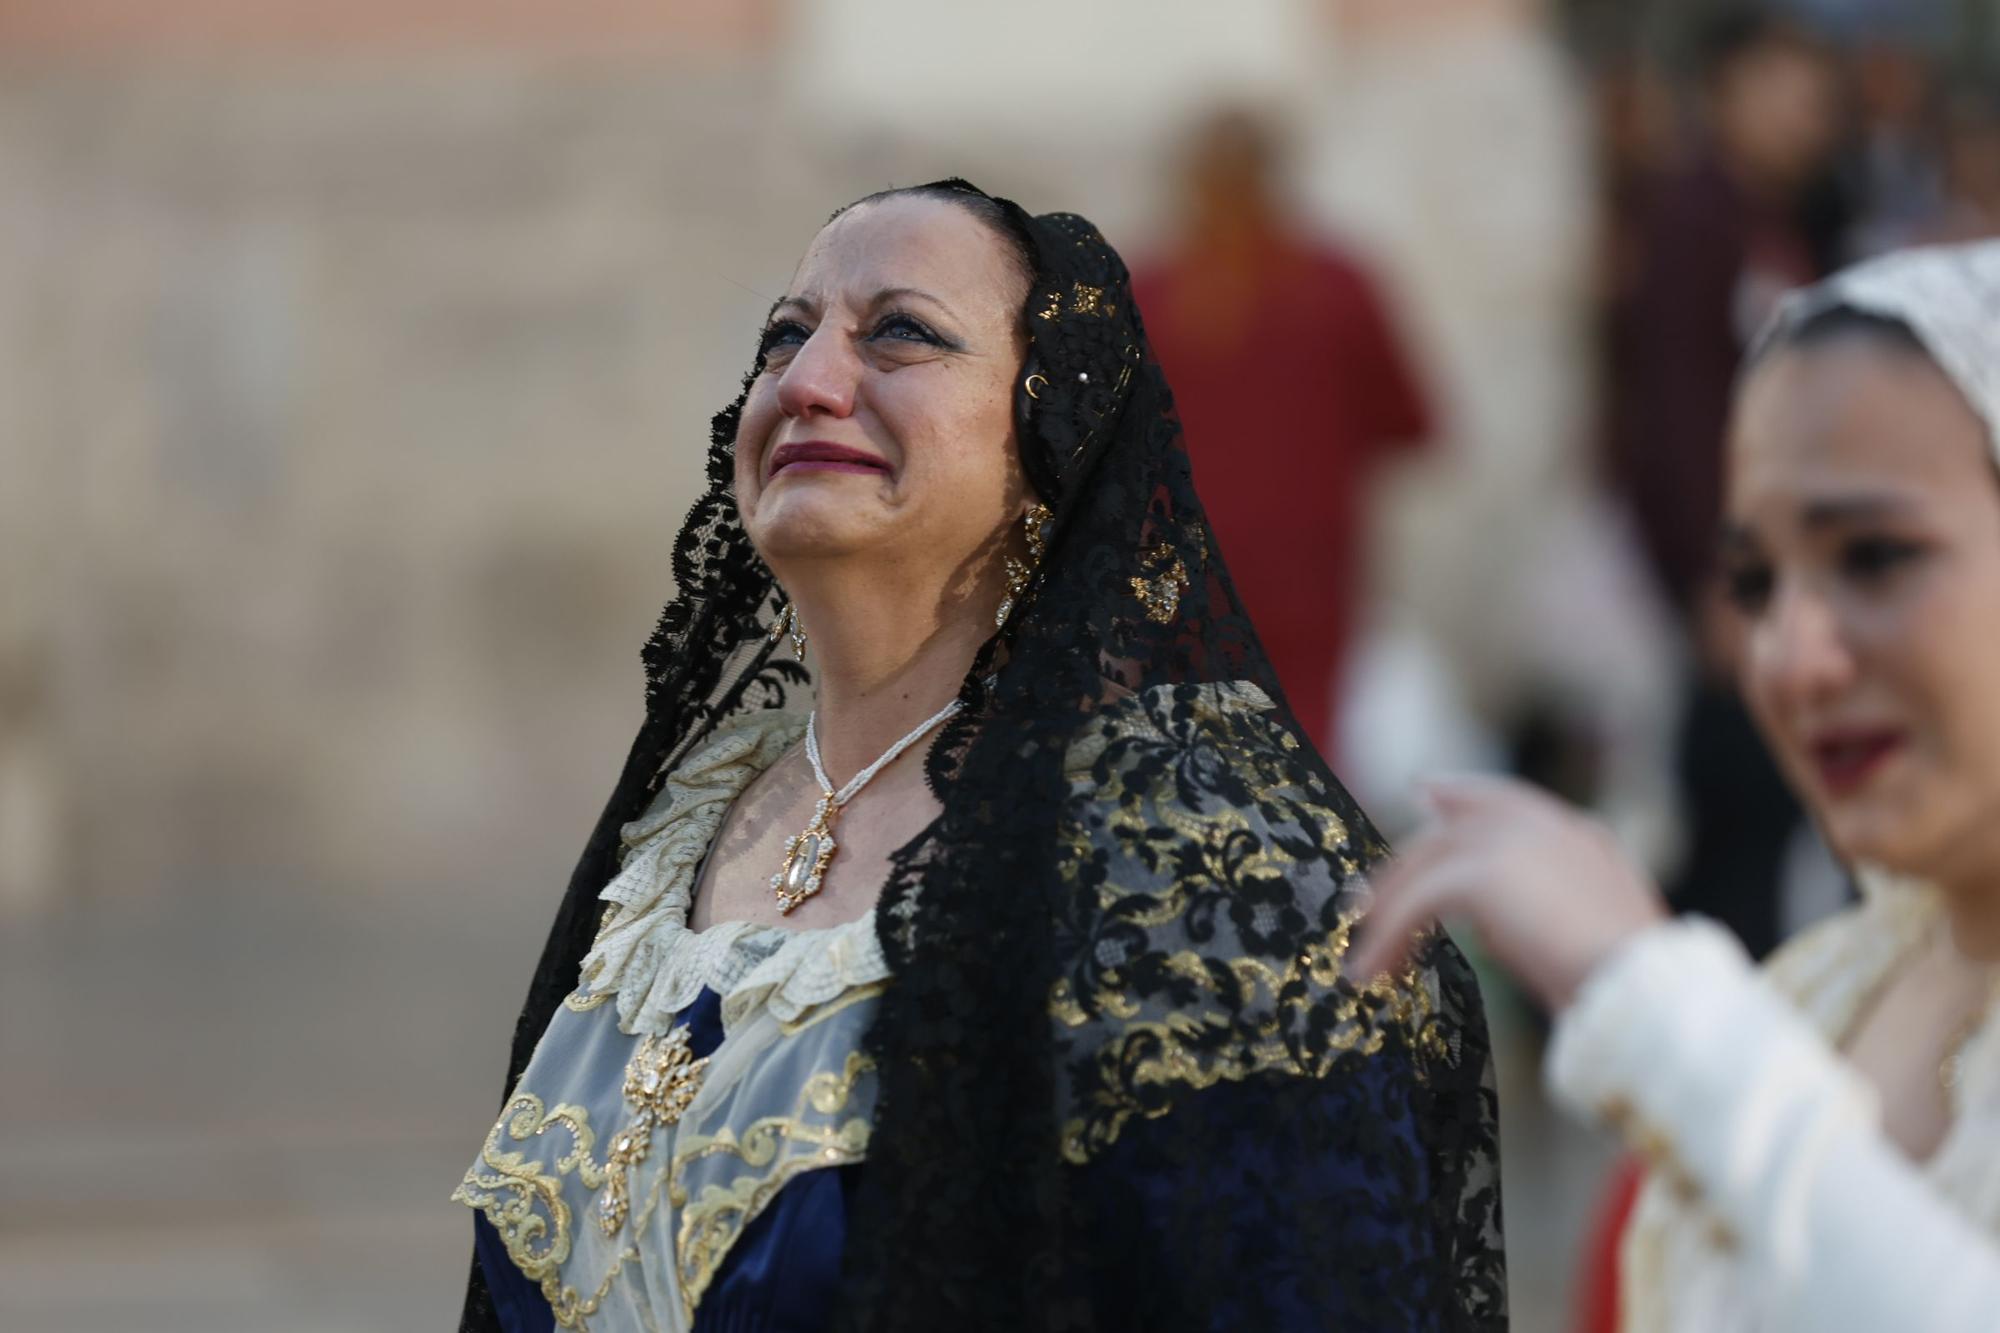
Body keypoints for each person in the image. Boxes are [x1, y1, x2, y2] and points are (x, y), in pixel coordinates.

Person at [452, 180, 1505, 1333]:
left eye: (899, 332)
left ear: (1050, 437)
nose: (808, 381)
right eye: (783, 335)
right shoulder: (682, 827)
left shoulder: (1193, 875)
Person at [1355, 239, 2000, 1332]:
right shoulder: (1818, 999)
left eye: (1874, 556)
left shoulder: (1720, 1029)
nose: (1790, 657)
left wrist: (1652, 1001)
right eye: (1751, 582)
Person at [1133, 108, 1431, 755]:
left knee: (1188, 758)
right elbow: (1413, 423)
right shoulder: (1337, 286)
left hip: (1180, 567)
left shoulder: (1149, 295)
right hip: (1309, 568)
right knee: (1306, 750)